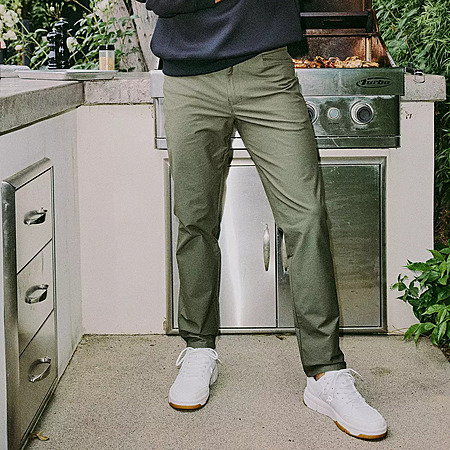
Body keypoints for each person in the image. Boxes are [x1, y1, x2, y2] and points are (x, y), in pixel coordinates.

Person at [136, 0, 388, 440]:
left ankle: (326, 372)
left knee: (307, 218)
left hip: (267, 73)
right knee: (195, 220)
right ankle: (199, 349)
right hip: (189, 79)